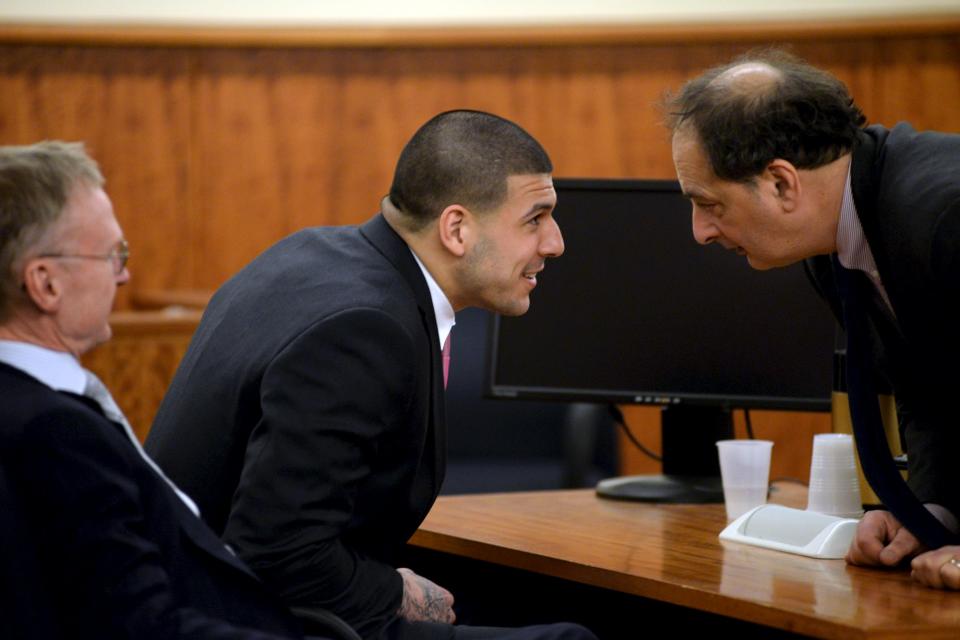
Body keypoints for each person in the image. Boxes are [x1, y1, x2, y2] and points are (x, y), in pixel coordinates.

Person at [146, 110, 595, 640]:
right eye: (535, 219)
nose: (555, 243)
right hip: (235, 619)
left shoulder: (311, 252)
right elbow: (277, 553)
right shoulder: (365, 330)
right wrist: (394, 592)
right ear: (456, 229)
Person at [0, 140, 330, 639]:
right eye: (113, 255)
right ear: (45, 284)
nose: (126, 274)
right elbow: (140, 628)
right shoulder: (56, 431)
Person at [666, 50, 960, 589]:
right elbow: (929, 386)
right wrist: (933, 512)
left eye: (708, 203)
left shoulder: (946, 214)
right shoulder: (838, 238)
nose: (699, 231)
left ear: (782, 183)